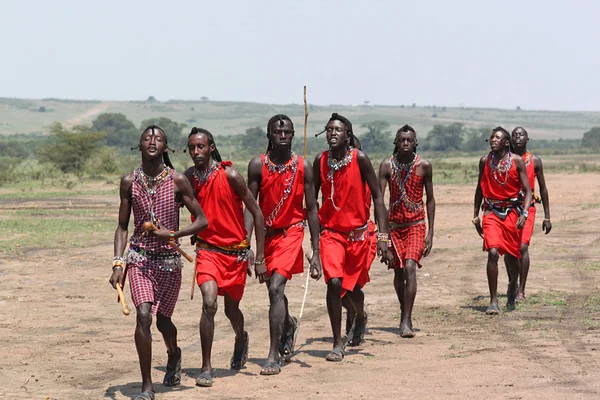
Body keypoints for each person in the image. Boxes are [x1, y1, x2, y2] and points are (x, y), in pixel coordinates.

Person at [109, 125, 208, 400]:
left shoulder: (178, 181)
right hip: (139, 260)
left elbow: (202, 220)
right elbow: (121, 226)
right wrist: (118, 263)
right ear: (139, 145)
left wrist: (172, 234)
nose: (153, 141)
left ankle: (174, 354)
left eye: (159, 139)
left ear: (166, 147)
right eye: (147, 138)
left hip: (169, 264)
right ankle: (146, 386)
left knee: (164, 321)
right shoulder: (129, 181)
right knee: (143, 316)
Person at [184, 127, 265, 387]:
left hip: (235, 254)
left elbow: (256, 213)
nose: (196, 152)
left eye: (201, 147)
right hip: (207, 250)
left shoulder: (230, 175)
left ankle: (240, 337)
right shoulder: (187, 178)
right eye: (192, 148)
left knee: (232, 310)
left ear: (211, 147)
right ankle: (206, 367)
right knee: (209, 304)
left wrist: (258, 253)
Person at [246, 114, 322, 375]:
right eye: (277, 132)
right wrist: (247, 246)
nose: (283, 136)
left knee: (276, 287)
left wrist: (316, 252)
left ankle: (273, 354)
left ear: (292, 135)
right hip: (265, 235)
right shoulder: (257, 165)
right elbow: (250, 207)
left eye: (287, 132)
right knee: (273, 292)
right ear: (269, 135)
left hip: (291, 232)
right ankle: (288, 324)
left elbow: (312, 210)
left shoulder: (303, 166)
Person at [313, 113, 393, 362]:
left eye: (338, 130)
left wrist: (383, 237)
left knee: (354, 290)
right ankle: (337, 342)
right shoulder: (320, 161)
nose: (332, 133)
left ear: (348, 135)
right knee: (334, 283)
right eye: (328, 129)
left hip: (359, 236)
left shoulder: (360, 159)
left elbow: (379, 198)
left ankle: (360, 314)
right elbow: (311, 202)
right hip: (331, 234)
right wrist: (315, 246)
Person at [378, 125, 435, 338]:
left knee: (410, 267)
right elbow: (379, 202)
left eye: (409, 140)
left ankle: (406, 319)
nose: (405, 143)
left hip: (416, 225)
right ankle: (405, 310)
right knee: (398, 271)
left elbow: (430, 199)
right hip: (394, 226)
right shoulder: (386, 166)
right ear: (396, 141)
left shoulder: (424, 166)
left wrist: (431, 232)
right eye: (401, 140)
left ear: (415, 143)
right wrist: (382, 236)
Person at [473, 127, 532, 315]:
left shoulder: (516, 161)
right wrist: (476, 215)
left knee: (513, 255)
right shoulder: (484, 161)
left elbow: (528, 191)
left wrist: (524, 213)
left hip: (512, 212)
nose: (493, 140)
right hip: (491, 211)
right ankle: (493, 301)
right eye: (492, 137)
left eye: (498, 138)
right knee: (492, 252)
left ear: (507, 142)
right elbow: (479, 189)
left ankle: (513, 283)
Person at [509, 127, 552, 301]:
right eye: (514, 135)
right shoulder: (506, 160)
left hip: (529, 208)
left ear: (528, 139)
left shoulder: (535, 161)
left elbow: (543, 188)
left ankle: (521, 288)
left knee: (522, 247)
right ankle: (512, 281)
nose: (518, 137)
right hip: (508, 209)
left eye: (521, 135)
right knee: (510, 250)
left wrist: (547, 216)